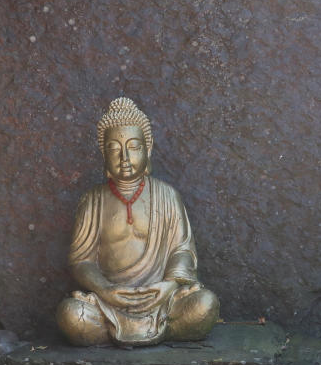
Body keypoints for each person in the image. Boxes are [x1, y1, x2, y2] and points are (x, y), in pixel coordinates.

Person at [57, 97, 220, 346]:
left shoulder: (167, 196)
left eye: (133, 147)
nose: (124, 157)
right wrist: (104, 289)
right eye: (114, 149)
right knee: (71, 315)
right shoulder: (93, 200)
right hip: (110, 302)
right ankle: (151, 331)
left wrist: (169, 286)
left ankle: (157, 327)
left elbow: (182, 250)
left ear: (148, 148)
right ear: (104, 154)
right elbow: (81, 260)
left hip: (161, 298)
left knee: (205, 305)